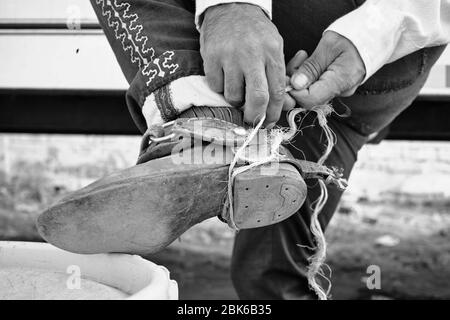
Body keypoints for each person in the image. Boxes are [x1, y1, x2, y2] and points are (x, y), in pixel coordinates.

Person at [89, 0, 449, 299]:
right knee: (267, 279)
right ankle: (228, 141)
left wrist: (232, 7)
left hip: (335, 40)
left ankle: (201, 123)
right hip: (383, 62)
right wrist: (369, 38)